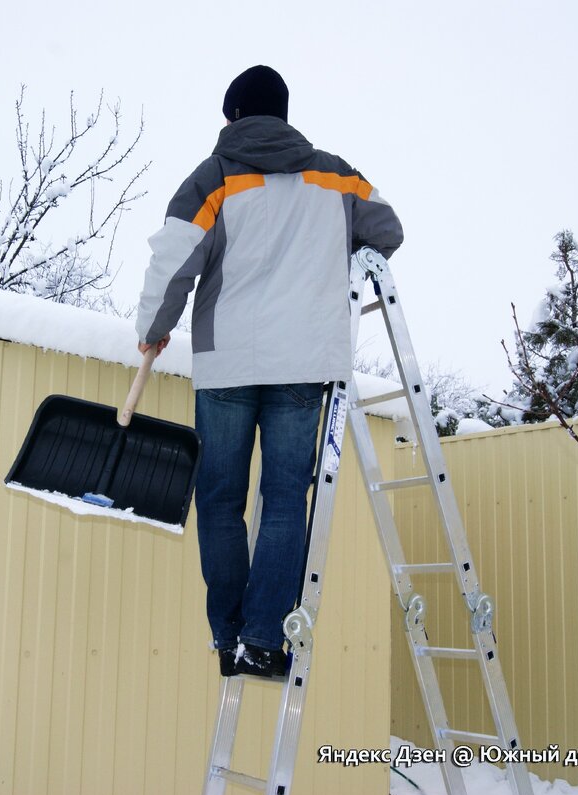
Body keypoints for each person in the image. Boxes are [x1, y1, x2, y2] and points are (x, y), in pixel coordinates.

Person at [135, 65, 403, 678]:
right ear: (283, 114)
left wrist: (154, 328)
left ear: (232, 116)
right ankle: (261, 640)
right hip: (306, 363)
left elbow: (172, 263)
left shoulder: (214, 178)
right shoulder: (334, 175)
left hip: (228, 363)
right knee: (285, 502)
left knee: (222, 502)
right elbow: (387, 230)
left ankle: (229, 636)